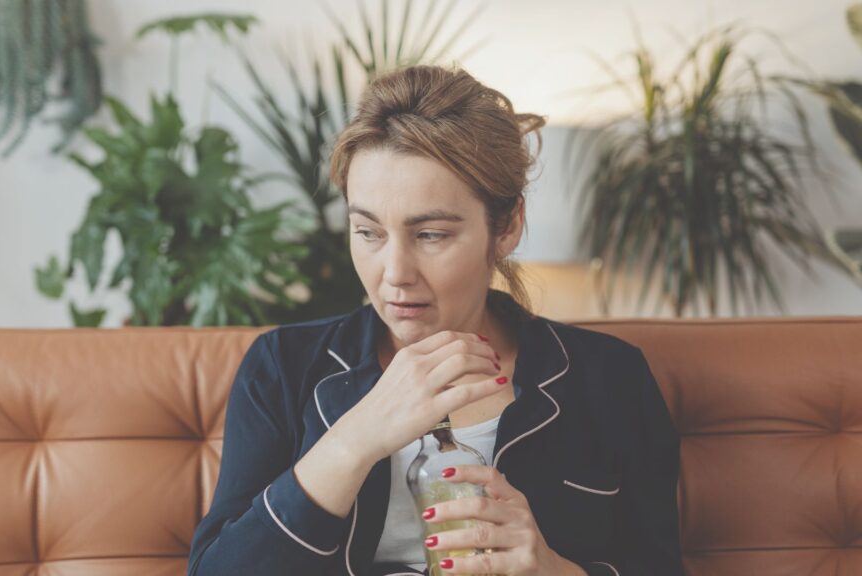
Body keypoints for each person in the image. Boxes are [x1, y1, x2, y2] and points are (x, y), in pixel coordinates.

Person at [187, 65, 683, 576]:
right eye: (368, 232)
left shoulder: (610, 379)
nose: (395, 274)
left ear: (507, 225)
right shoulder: (283, 368)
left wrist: (555, 570)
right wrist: (354, 439)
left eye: (431, 235)